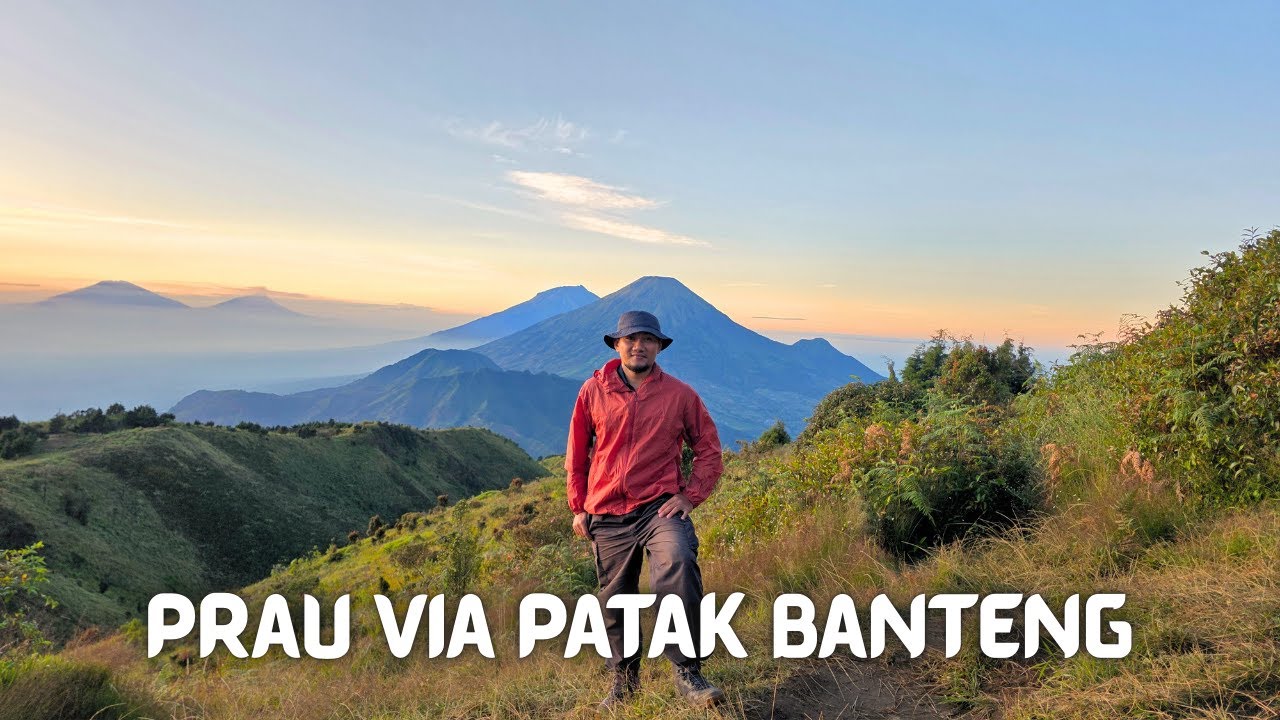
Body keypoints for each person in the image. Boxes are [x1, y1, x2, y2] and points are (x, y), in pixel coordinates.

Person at [565, 310, 725, 710]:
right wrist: (579, 506)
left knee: (678, 563)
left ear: (659, 347)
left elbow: (708, 449)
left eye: (648, 340)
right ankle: (624, 680)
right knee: (615, 596)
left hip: (659, 508)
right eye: (631, 339)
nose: (639, 346)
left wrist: (690, 496)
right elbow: (577, 453)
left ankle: (688, 672)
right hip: (606, 510)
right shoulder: (592, 391)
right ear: (617, 345)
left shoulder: (680, 395)